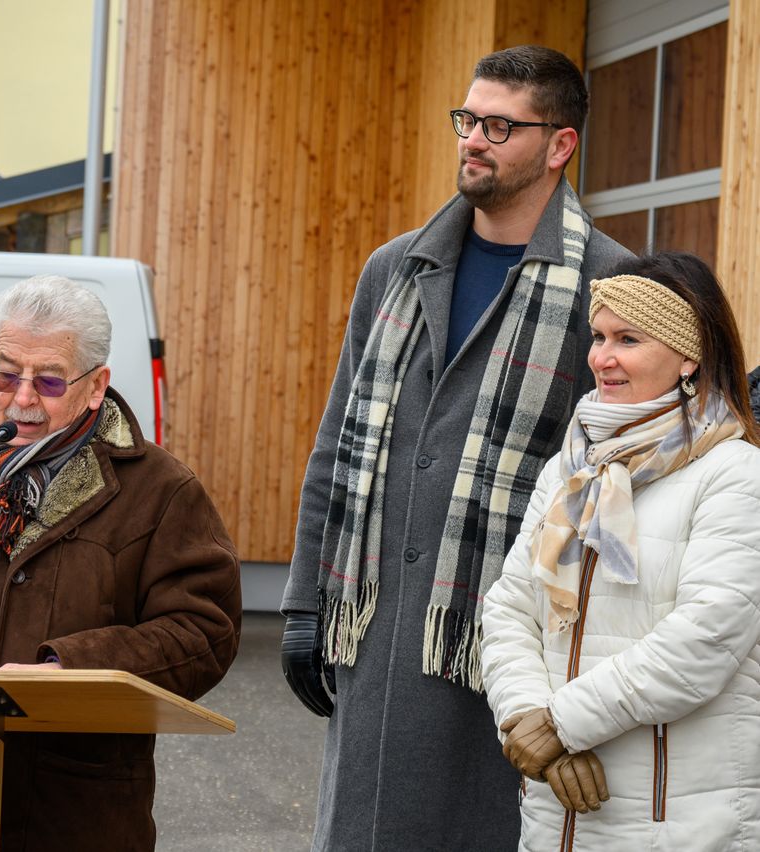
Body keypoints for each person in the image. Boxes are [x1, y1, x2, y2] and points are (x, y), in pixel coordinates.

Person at [280, 45, 632, 850]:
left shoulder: (610, 283)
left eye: (500, 125)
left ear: (559, 145)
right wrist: (304, 603)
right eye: (467, 119)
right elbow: (338, 438)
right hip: (374, 626)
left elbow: (615, 486)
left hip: (502, 648)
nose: (473, 138)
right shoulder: (395, 269)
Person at [0, 276, 242, 852]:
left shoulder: (163, 492)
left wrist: (72, 666)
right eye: (6, 374)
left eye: (49, 380)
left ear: (96, 386)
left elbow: (203, 631)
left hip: (80, 809)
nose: (22, 398)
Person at [481, 252, 760, 850]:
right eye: (600, 336)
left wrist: (561, 725)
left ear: (689, 356)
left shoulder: (734, 473)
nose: (600, 357)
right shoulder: (571, 470)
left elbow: (706, 638)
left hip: (679, 827)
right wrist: (528, 719)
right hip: (556, 816)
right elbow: (510, 606)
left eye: (627, 339)